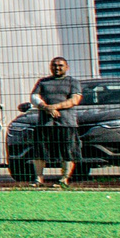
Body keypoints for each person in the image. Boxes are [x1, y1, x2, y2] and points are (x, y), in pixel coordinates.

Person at [27, 57, 81, 186]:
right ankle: (38, 179)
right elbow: (34, 97)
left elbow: (75, 100)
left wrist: (54, 107)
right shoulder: (43, 82)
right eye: (54, 65)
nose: (57, 68)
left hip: (66, 123)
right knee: (39, 150)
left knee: (67, 151)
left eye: (60, 65)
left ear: (67, 67)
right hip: (45, 123)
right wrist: (45, 107)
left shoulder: (72, 82)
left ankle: (64, 179)